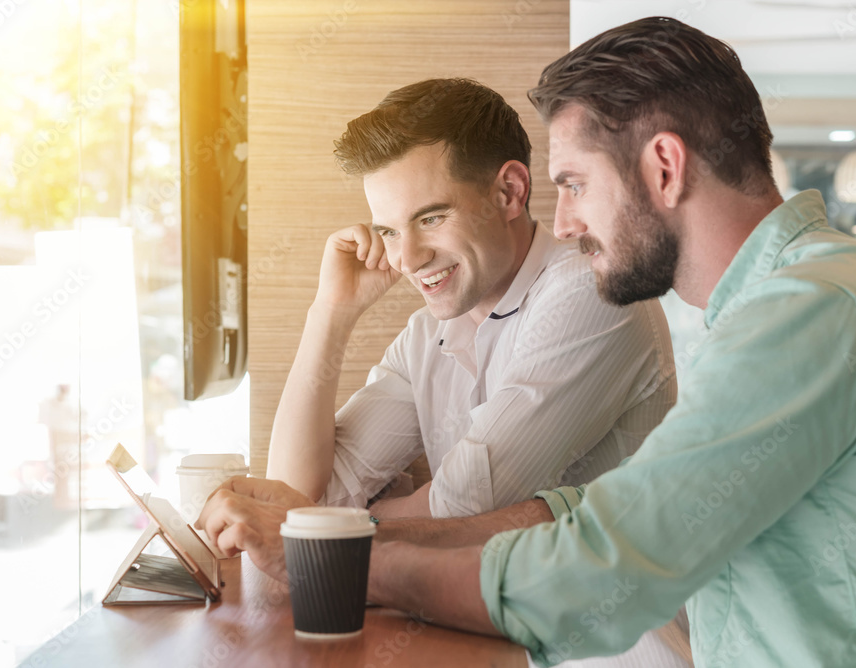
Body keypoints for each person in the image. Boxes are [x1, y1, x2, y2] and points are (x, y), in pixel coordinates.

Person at [199, 17, 856, 667]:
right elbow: (587, 512)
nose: (561, 223)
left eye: (576, 184)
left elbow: (601, 567)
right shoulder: (786, 303)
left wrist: (346, 563)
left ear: (663, 166)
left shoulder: (813, 309)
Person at [265, 78, 676, 521]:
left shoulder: (592, 291)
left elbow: (467, 504)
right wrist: (330, 312)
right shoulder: (426, 337)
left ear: (510, 193)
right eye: (388, 231)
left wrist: (358, 517)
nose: (407, 259)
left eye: (432, 217)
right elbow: (299, 500)